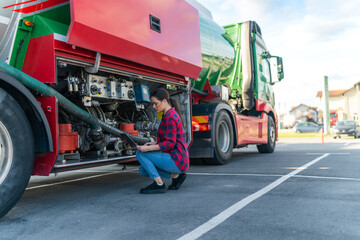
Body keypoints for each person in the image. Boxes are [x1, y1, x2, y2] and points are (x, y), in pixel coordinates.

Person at [136, 88, 189, 194]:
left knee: (140, 153)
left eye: (156, 104)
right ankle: (176, 175)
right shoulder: (168, 115)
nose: (154, 107)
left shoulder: (170, 117)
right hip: (178, 159)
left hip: (177, 159)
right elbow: (169, 139)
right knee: (143, 170)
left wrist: (148, 148)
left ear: (164, 101)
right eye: (153, 104)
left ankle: (159, 184)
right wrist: (154, 143)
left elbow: (170, 143)